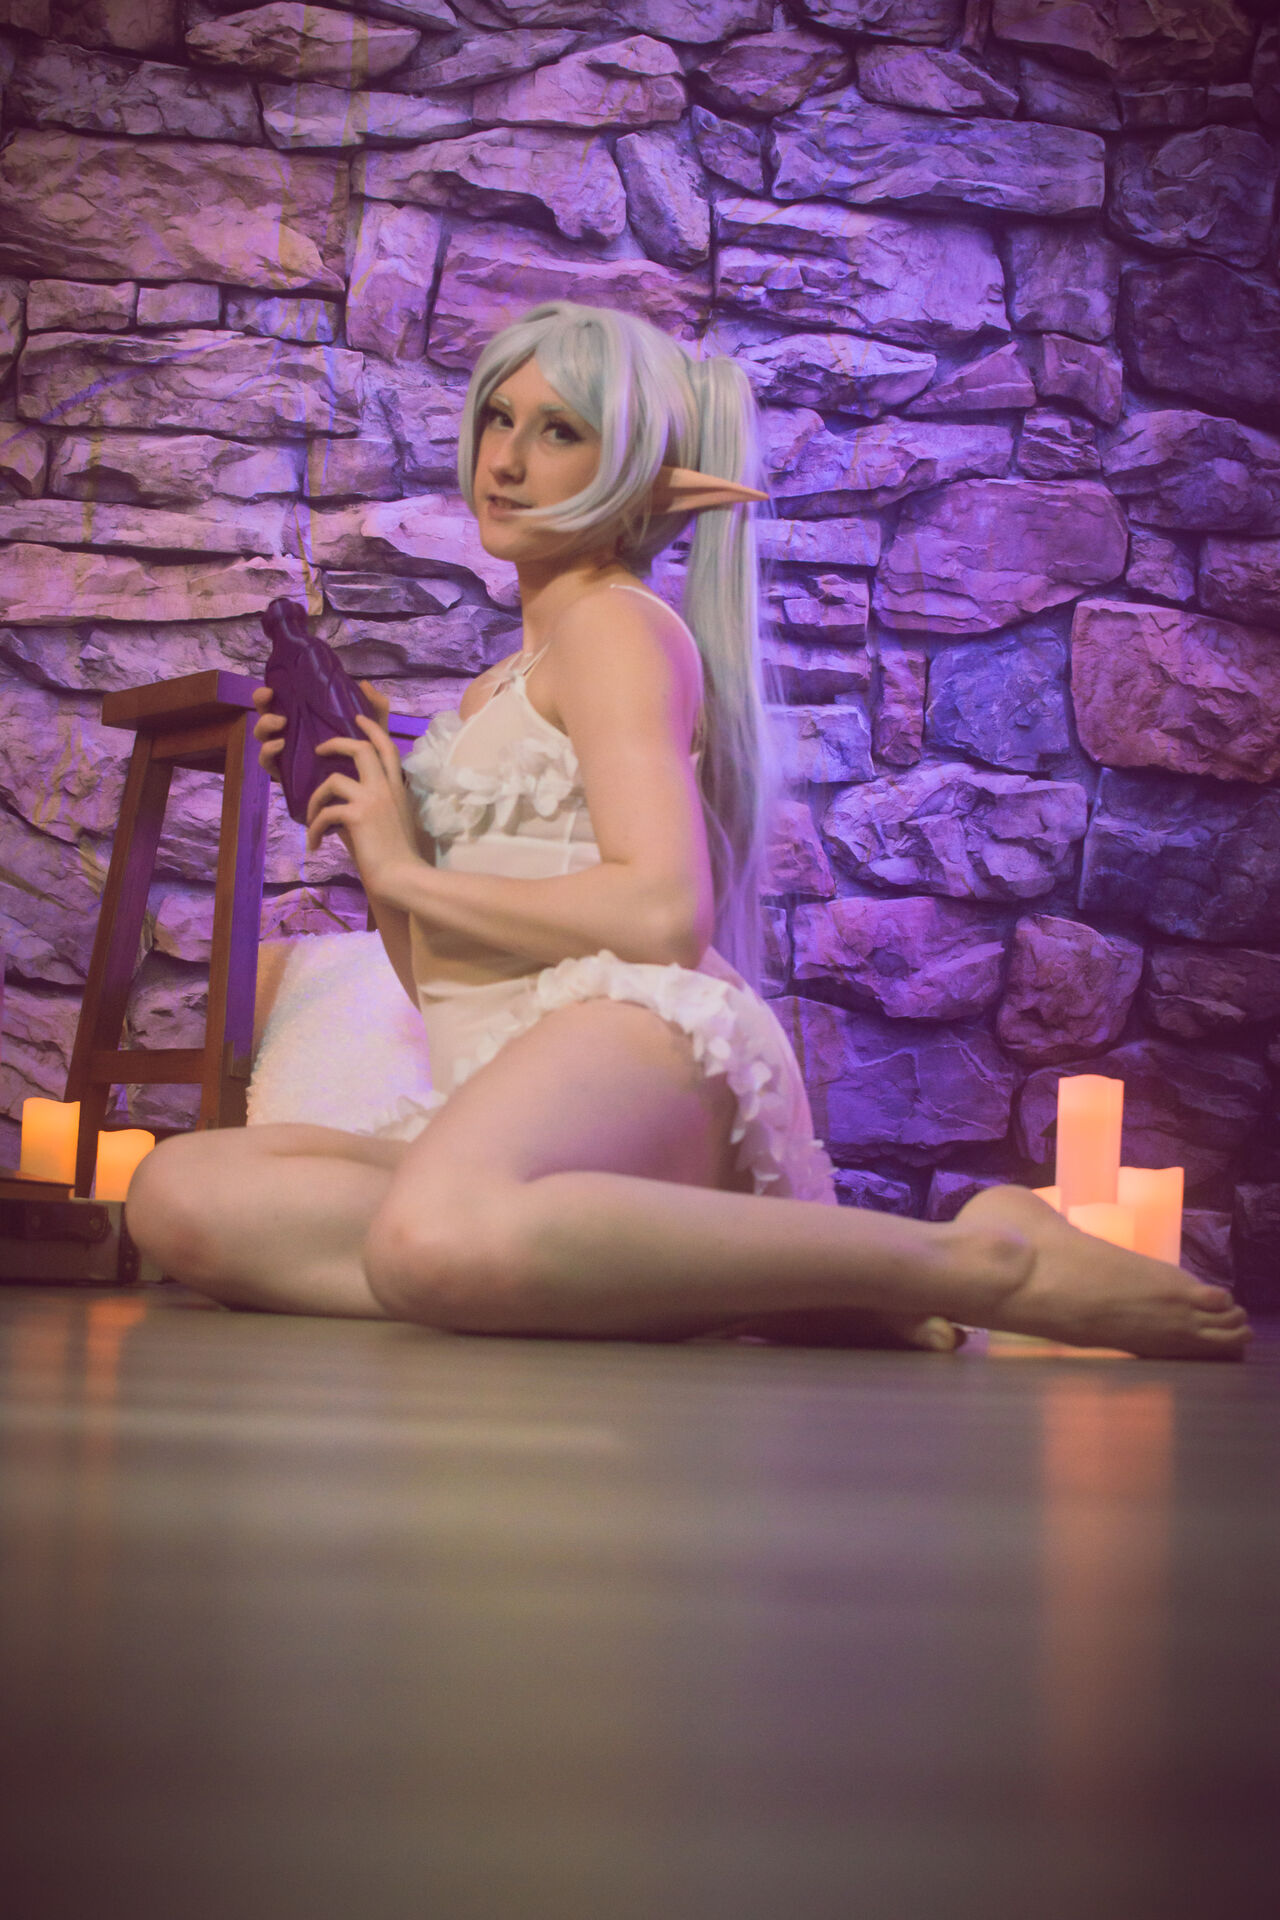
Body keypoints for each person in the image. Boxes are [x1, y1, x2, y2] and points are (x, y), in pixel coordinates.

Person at [127, 302, 1249, 1361]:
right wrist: (384, 839)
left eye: (558, 432)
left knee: (434, 1240)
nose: (505, 461)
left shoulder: (616, 627)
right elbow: (447, 991)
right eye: (498, 420)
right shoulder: (497, 685)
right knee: (183, 1196)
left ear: (631, 472)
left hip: (630, 1037)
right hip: (509, 1087)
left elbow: (662, 912)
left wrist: (405, 874)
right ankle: (713, 1280)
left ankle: (974, 1260)